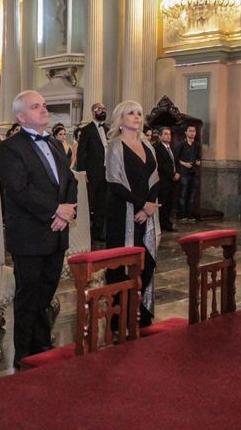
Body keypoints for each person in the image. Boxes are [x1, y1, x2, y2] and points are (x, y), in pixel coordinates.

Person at [0, 90, 77, 369]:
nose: (44, 110)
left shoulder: (55, 144)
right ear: (21, 116)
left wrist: (66, 210)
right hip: (30, 235)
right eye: (36, 106)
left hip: (57, 232)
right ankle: (24, 353)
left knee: (46, 292)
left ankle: (42, 346)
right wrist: (56, 210)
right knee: (28, 294)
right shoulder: (10, 148)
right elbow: (19, 190)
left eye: (44, 105)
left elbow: (70, 181)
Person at [105, 100, 160, 327]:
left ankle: (142, 312)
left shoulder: (148, 146)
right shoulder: (115, 146)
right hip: (122, 212)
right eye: (131, 113)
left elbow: (155, 179)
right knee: (120, 265)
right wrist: (141, 205)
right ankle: (119, 318)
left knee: (147, 263)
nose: (137, 117)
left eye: (139, 113)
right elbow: (114, 182)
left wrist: (148, 207)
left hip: (146, 213)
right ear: (121, 119)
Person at [76, 102, 109, 241]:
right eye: (100, 109)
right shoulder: (87, 130)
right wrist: (83, 171)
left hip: (106, 171)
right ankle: (85, 231)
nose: (103, 111)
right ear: (93, 111)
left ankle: (98, 231)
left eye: (104, 108)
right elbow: (81, 151)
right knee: (90, 201)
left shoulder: (107, 129)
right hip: (92, 172)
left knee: (102, 202)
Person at [153, 127, 179, 232]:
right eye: (165, 134)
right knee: (162, 202)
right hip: (163, 179)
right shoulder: (157, 148)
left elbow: (174, 161)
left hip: (172, 180)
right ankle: (162, 223)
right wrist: (172, 174)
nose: (168, 136)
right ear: (160, 136)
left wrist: (177, 172)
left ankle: (167, 222)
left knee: (170, 202)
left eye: (169, 134)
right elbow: (161, 165)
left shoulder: (172, 147)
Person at [175, 124, 201, 222]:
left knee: (192, 194)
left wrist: (198, 161)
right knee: (183, 194)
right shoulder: (181, 144)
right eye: (190, 131)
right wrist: (185, 164)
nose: (192, 133)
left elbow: (198, 158)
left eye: (194, 131)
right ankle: (182, 215)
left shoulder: (197, 145)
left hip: (193, 172)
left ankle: (189, 215)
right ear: (186, 132)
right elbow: (176, 159)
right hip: (184, 172)